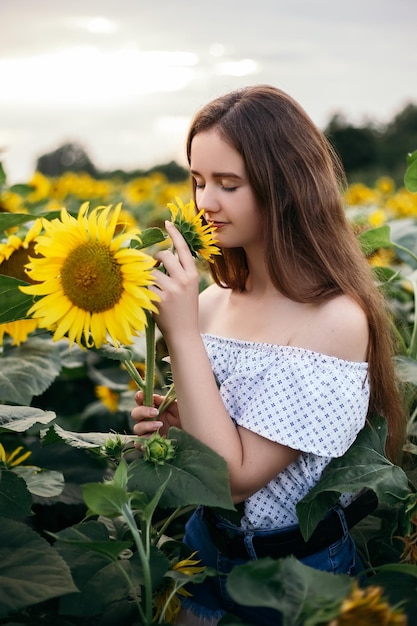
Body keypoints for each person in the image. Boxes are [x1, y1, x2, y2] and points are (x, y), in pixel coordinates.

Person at [131, 84, 405, 625]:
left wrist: (182, 334)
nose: (205, 202)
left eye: (228, 184)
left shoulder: (335, 319)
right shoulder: (212, 301)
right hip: (202, 549)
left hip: (296, 573)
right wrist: (171, 433)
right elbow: (209, 453)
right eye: (198, 180)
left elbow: (233, 477)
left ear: (286, 188)